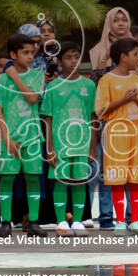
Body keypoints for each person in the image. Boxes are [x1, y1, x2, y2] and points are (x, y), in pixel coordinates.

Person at [0, 32, 47, 238]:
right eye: (25, 52)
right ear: (13, 54)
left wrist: (15, 76)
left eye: (32, 52)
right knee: (7, 179)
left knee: (33, 179)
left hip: (32, 137)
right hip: (10, 139)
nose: (31, 56)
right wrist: (7, 139)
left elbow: (33, 98)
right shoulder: (1, 81)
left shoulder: (37, 76)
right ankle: (6, 221)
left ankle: (33, 221)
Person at [94, 37, 138, 234]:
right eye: (135, 55)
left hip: (137, 130)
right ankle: (119, 220)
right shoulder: (107, 80)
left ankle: (135, 220)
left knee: (137, 175)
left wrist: (136, 100)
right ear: (123, 56)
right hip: (116, 131)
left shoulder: (137, 80)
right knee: (118, 175)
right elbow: (101, 110)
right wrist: (124, 100)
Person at [42, 42, 95, 235]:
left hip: (82, 143)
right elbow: (47, 118)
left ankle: (78, 222)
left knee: (80, 181)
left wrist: (92, 147)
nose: (73, 61)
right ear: (59, 61)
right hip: (60, 144)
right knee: (61, 181)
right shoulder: (53, 87)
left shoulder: (89, 85)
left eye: (76, 57)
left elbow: (92, 117)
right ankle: (61, 222)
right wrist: (49, 147)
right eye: (68, 58)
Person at [89, 7, 134, 75]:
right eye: (115, 20)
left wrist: (135, 75)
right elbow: (95, 81)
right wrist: (105, 59)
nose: (121, 23)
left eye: (124, 20)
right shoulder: (99, 49)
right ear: (109, 23)